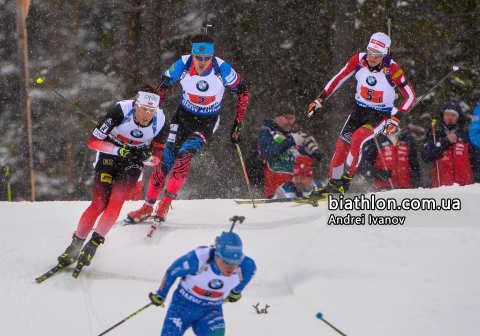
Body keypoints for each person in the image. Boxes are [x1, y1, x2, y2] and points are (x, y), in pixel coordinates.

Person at [126, 33, 249, 224]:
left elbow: (243, 92)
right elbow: (160, 88)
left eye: (206, 58)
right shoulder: (182, 65)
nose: (202, 62)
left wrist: (237, 124)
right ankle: (147, 206)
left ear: (212, 55)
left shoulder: (221, 68)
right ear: (192, 54)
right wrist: (153, 115)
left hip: (207, 121)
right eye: (198, 57)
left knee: (184, 155)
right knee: (167, 158)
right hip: (183, 117)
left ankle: (165, 204)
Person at [56, 85, 169, 270]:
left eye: (151, 110)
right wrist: (118, 149)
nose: (146, 115)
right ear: (135, 104)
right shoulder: (120, 111)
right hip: (109, 156)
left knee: (116, 202)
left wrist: (147, 157)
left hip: (132, 163)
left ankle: (93, 245)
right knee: (99, 203)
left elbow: (156, 159)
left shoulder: (162, 121)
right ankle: (75, 245)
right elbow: (93, 142)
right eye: (143, 109)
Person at [308, 32, 416, 195]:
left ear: (384, 54)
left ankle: (346, 182)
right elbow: (338, 79)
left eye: (377, 55)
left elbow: (411, 96)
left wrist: (395, 119)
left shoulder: (392, 70)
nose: (371, 58)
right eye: (370, 52)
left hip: (380, 114)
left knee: (358, 138)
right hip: (359, 110)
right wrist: (320, 99)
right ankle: (333, 185)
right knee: (342, 146)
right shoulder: (358, 60)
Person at [148, 231, 256, 336]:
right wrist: (161, 294)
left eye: (236, 261)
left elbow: (243, 282)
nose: (232, 267)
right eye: (227, 261)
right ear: (217, 255)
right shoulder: (196, 259)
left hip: (212, 310)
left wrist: (235, 293)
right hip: (183, 305)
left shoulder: (247, 267)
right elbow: (172, 272)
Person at [257, 102, 324, 198]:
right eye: (287, 118)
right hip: (273, 194)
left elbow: (305, 166)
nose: (291, 122)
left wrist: (310, 153)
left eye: (293, 119)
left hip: (296, 193)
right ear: (277, 117)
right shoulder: (267, 132)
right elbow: (268, 152)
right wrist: (291, 141)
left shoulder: (295, 135)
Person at [421, 101, 480, 187]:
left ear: (459, 117)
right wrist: (445, 142)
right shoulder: (434, 134)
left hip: (465, 187)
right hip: (441, 186)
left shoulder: (467, 135)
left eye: (453, 115)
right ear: (442, 116)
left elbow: (477, 161)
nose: (450, 118)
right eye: (447, 114)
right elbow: (426, 156)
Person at [358, 128, 421, 192]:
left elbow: (415, 167)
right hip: (382, 189)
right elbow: (363, 166)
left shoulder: (407, 139)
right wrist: (377, 173)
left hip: (405, 188)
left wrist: (417, 186)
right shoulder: (376, 139)